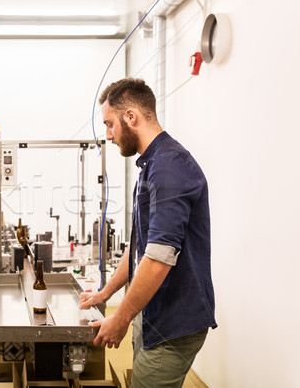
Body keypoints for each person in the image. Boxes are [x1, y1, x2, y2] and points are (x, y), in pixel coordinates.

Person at [80, 78, 216, 387]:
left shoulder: (170, 166)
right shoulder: (151, 165)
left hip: (175, 322)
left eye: (110, 124)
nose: (109, 135)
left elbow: (158, 258)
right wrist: (106, 294)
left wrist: (122, 317)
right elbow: (140, 246)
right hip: (153, 312)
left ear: (131, 117)